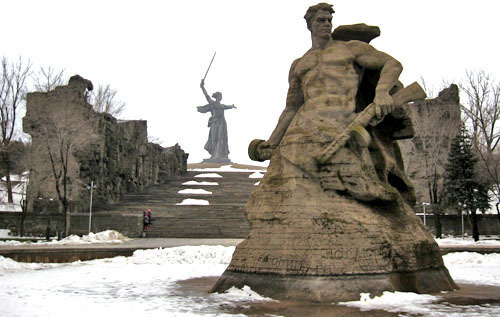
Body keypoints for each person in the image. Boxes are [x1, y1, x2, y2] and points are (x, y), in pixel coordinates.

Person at [254, 2, 415, 205]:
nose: (326, 24)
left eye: (329, 20)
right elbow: (291, 108)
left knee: (365, 189)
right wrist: (272, 141)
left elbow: (392, 64)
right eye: (321, 20)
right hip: (304, 125)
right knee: (286, 169)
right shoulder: (299, 64)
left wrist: (382, 92)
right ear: (310, 25)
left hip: (343, 122)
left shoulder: (350, 49)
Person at [198, 79, 236, 162]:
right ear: (218, 97)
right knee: (213, 138)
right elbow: (206, 95)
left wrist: (232, 106)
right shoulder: (213, 103)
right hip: (214, 122)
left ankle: (218, 155)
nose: (220, 98)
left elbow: (228, 106)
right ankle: (214, 155)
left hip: (222, 122)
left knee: (220, 138)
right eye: (220, 96)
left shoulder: (222, 106)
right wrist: (202, 87)